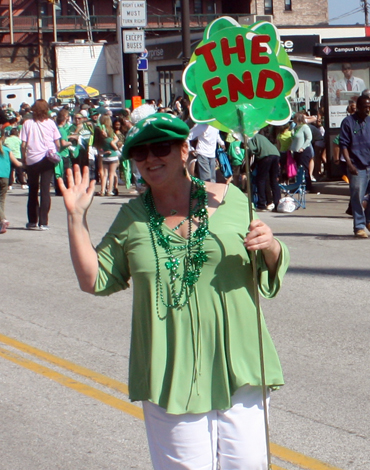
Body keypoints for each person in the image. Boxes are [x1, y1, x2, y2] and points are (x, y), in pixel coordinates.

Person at [57, 113, 289, 470]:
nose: (151, 158)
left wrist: (270, 245)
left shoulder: (232, 200)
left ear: (184, 150)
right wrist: (76, 219)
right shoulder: (132, 217)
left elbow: (269, 269)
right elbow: (94, 279)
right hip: (171, 372)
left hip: (239, 364)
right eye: (140, 152)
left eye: (161, 147)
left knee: (248, 465)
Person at [340, 95, 370, 238]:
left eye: (369, 106)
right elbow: (344, 145)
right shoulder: (348, 122)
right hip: (357, 166)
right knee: (357, 197)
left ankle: (369, 219)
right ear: (357, 107)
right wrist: (349, 163)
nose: (368, 109)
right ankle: (359, 227)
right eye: (365, 106)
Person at [20, 99, 61, 230]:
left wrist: (23, 159)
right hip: (48, 158)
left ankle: (32, 220)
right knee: (45, 190)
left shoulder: (27, 123)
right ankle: (44, 222)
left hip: (32, 159)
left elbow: (23, 144)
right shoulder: (51, 123)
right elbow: (58, 143)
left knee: (33, 190)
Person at [247, 131, 281, 212]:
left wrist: (248, 151)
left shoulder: (249, 137)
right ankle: (277, 203)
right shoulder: (260, 136)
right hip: (276, 154)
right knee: (273, 180)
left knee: (261, 180)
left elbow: (252, 149)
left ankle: (261, 204)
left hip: (265, 156)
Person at [0, 136, 23, 233]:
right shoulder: (7, 150)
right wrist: (25, 164)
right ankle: (1, 224)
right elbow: (17, 164)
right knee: (1, 201)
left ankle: (3, 220)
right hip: (5, 178)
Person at [290, 113, 314, 191]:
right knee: (298, 170)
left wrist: (303, 147)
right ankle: (299, 185)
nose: (293, 119)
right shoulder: (295, 127)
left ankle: (308, 186)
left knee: (304, 169)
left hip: (304, 151)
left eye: (295, 118)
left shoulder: (305, 127)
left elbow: (309, 138)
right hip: (296, 151)